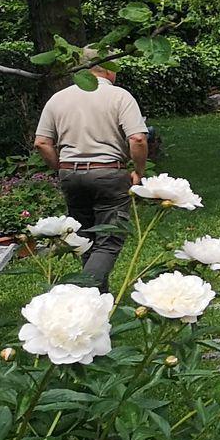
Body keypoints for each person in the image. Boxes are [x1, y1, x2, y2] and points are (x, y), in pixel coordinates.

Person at [32, 66, 149, 291]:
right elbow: (138, 139)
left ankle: (98, 298)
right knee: (109, 241)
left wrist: (61, 167)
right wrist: (139, 171)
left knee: (85, 239)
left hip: (71, 174)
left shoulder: (59, 98)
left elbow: (42, 142)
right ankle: (81, 293)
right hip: (109, 173)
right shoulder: (119, 96)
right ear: (109, 70)